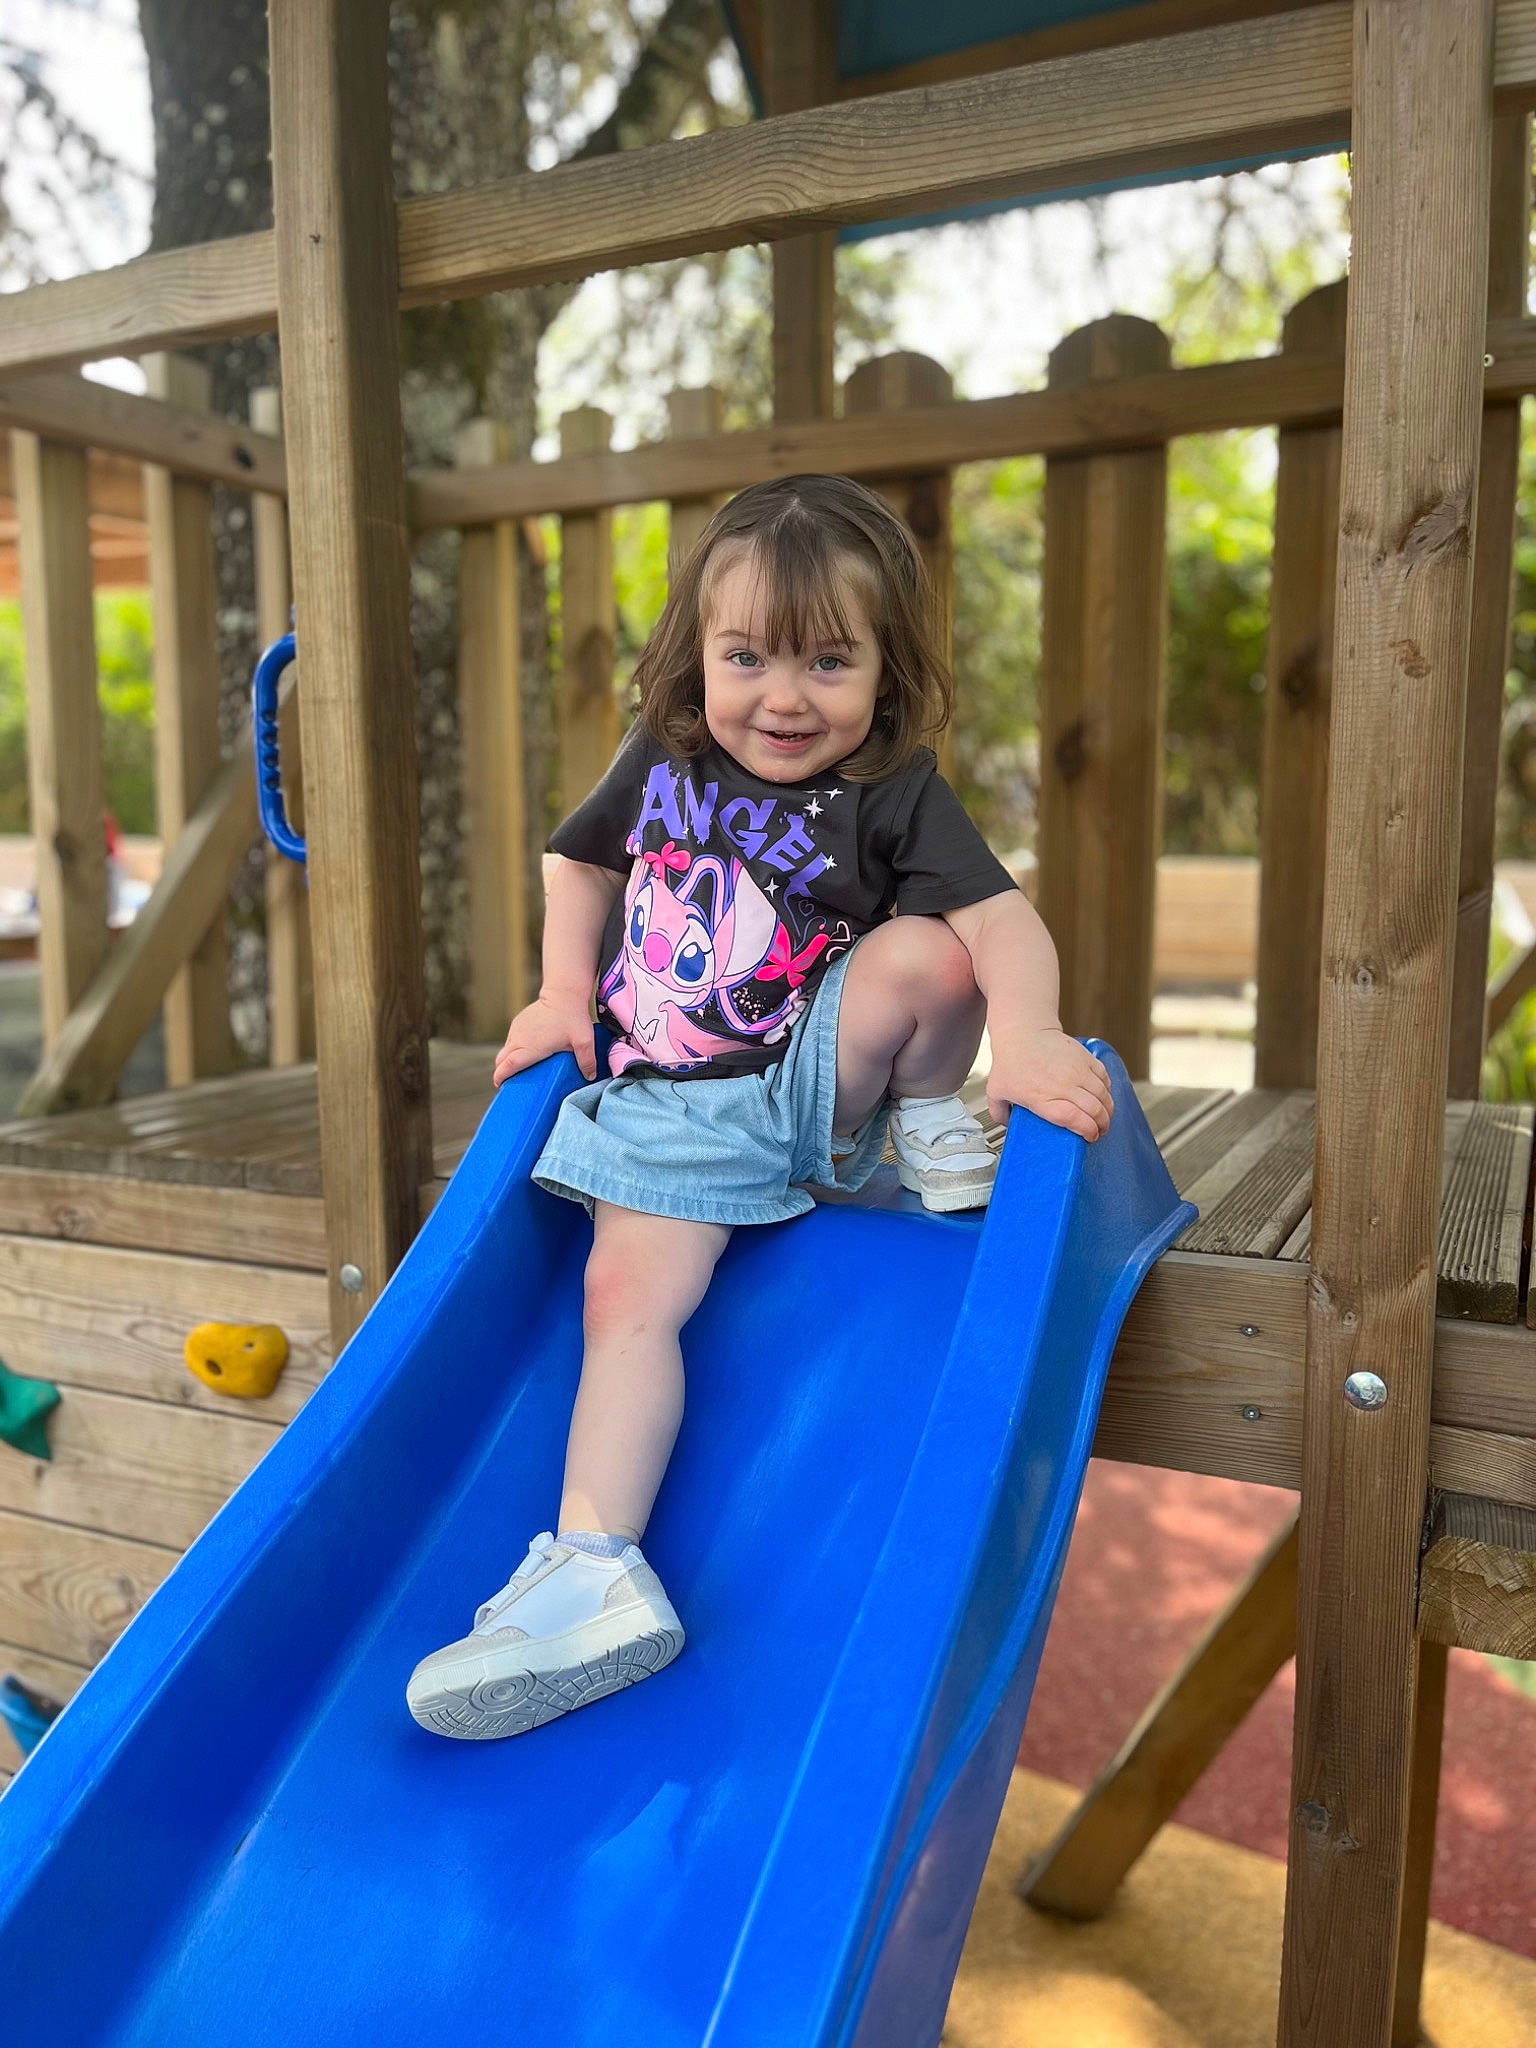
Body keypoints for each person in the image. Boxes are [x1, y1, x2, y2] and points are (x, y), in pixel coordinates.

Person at [406, 473, 1113, 1742]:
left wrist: (1032, 1039)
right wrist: (564, 995)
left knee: (933, 950)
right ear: (697, 659)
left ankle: (925, 1116)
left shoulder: (894, 787)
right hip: (674, 1108)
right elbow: (579, 859)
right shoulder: (664, 759)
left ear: (883, 674)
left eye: (829, 663)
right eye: (747, 658)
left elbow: (1001, 918)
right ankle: (599, 1562)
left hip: (808, 1087)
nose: (784, 698)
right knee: (626, 1300)